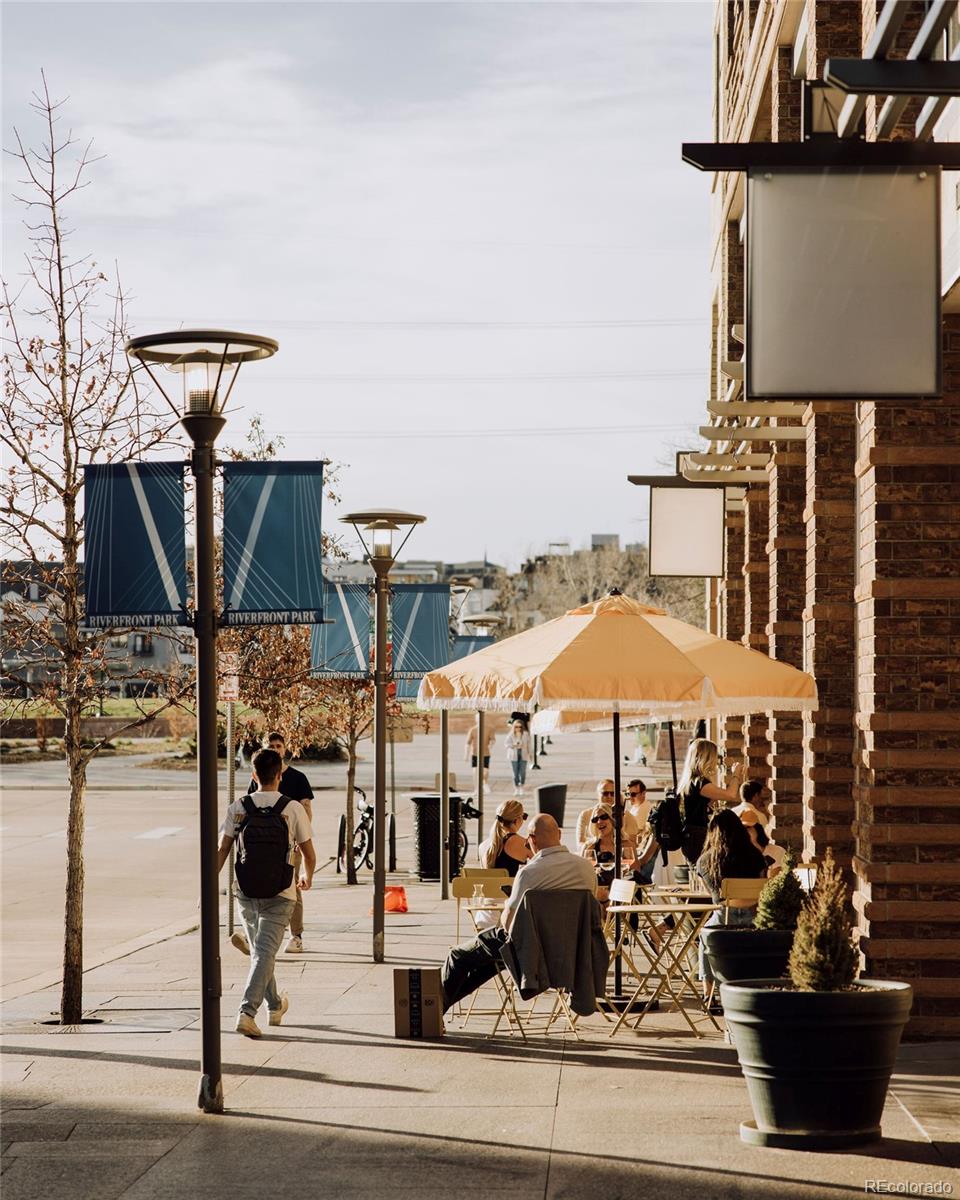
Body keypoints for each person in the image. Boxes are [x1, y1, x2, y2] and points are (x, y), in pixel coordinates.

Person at [440, 813, 597, 1011]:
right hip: (570, 949)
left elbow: (508, 924)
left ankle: (433, 1010)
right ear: (559, 833)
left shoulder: (529, 872)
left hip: (531, 951)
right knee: (487, 965)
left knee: (458, 956)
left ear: (531, 839)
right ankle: (436, 1010)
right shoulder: (586, 868)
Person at [218, 747, 315, 1038]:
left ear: (253, 775)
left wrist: (209, 887)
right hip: (282, 892)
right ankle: (247, 1013)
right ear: (280, 774)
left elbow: (223, 849)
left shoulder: (239, 806)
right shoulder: (293, 808)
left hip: (245, 891)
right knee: (263, 953)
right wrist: (307, 877)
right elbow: (309, 853)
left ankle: (275, 1006)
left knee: (261, 952)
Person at [238, 730, 314, 955]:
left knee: (290, 885)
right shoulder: (260, 777)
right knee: (261, 883)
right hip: (262, 843)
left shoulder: (297, 778)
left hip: (292, 844)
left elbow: (306, 808)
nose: (275, 750)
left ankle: (295, 935)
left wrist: (302, 837)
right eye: (271, 747)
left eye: (278, 746)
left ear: (285, 748)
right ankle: (260, 937)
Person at [695, 808, 768, 1009]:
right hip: (754, 918)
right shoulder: (755, 855)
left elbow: (710, 894)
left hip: (723, 919)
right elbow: (763, 884)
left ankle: (708, 994)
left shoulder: (706, 860)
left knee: (704, 938)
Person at [676, 737, 744, 870]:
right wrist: (736, 775)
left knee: (700, 873)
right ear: (706, 758)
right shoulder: (700, 783)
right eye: (715, 757)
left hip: (690, 835)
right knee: (706, 872)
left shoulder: (690, 782)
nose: (717, 762)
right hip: (698, 836)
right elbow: (730, 794)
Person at [580, 803, 637, 898]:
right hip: (597, 894)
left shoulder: (627, 845)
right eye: (595, 819)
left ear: (612, 819)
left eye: (603, 817)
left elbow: (635, 872)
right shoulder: (589, 847)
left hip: (623, 893)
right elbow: (583, 875)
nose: (599, 821)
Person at [576, 779, 640, 852]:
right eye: (605, 793)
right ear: (598, 795)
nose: (609, 796)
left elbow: (632, 846)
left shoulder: (628, 817)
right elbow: (580, 843)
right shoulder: (585, 815)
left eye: (613, 794)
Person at [478, 798, 532, 877]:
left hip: (489, 889)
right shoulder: (523, 843)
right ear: (517, 820)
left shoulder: (483, 846)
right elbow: (541, 864)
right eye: (524, 816)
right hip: (512, 889)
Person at [740, 808, 785, 873]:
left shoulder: (777, 851)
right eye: (741, 829)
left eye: (748, 827)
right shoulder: (739, 856)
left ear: (758, 829)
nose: (744, 831)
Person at [465, 721, 496, 791]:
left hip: (485, 754)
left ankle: (485, 783)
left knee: (485, 771)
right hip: (475, 753)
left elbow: (493, 740)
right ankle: (476, 788)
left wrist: (490, 745)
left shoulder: (489, 729)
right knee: (475, 771)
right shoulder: (473, 730)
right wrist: (466, 755)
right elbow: (468, 743)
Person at [504, 719, 531, 797]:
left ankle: (521, 786)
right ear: (513, 727)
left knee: (522, 772)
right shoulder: (510, 735)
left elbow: (529, 745)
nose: (518, 728)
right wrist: (514, 745)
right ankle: (516, 788)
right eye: (516, 727)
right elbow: (506, 744)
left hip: (523, 754)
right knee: (515, 773)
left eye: (520, 727)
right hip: (513, 755)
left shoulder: (525, 734)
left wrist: (530, 754)